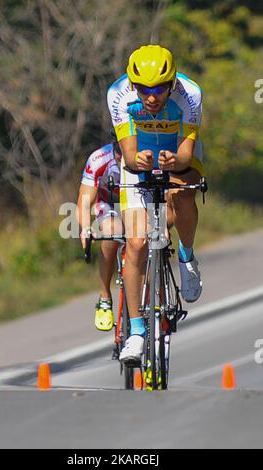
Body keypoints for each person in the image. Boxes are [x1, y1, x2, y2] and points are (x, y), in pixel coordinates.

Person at [107, 44, 204, 363]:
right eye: (145, 89)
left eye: (160, 88)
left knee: (183, 192)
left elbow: (187, 154)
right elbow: (130, 154)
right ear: (133, 85)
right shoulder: (118, 94)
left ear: (173, 82)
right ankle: (136, 332)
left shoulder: (190, 94)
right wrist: (139, 160)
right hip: (140, 156)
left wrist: (175, 161)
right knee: (135, 243)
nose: (151, 97)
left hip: (177, 152)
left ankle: (187, 259)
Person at [77, 132, 123, 332]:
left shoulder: (148, 153)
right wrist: (86, 228)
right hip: (110, 205)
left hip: (141, 203)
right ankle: (105, 296)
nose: (124, 160)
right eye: (121, 154)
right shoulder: (99, 159)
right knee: (113, 232)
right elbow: (85, 200)